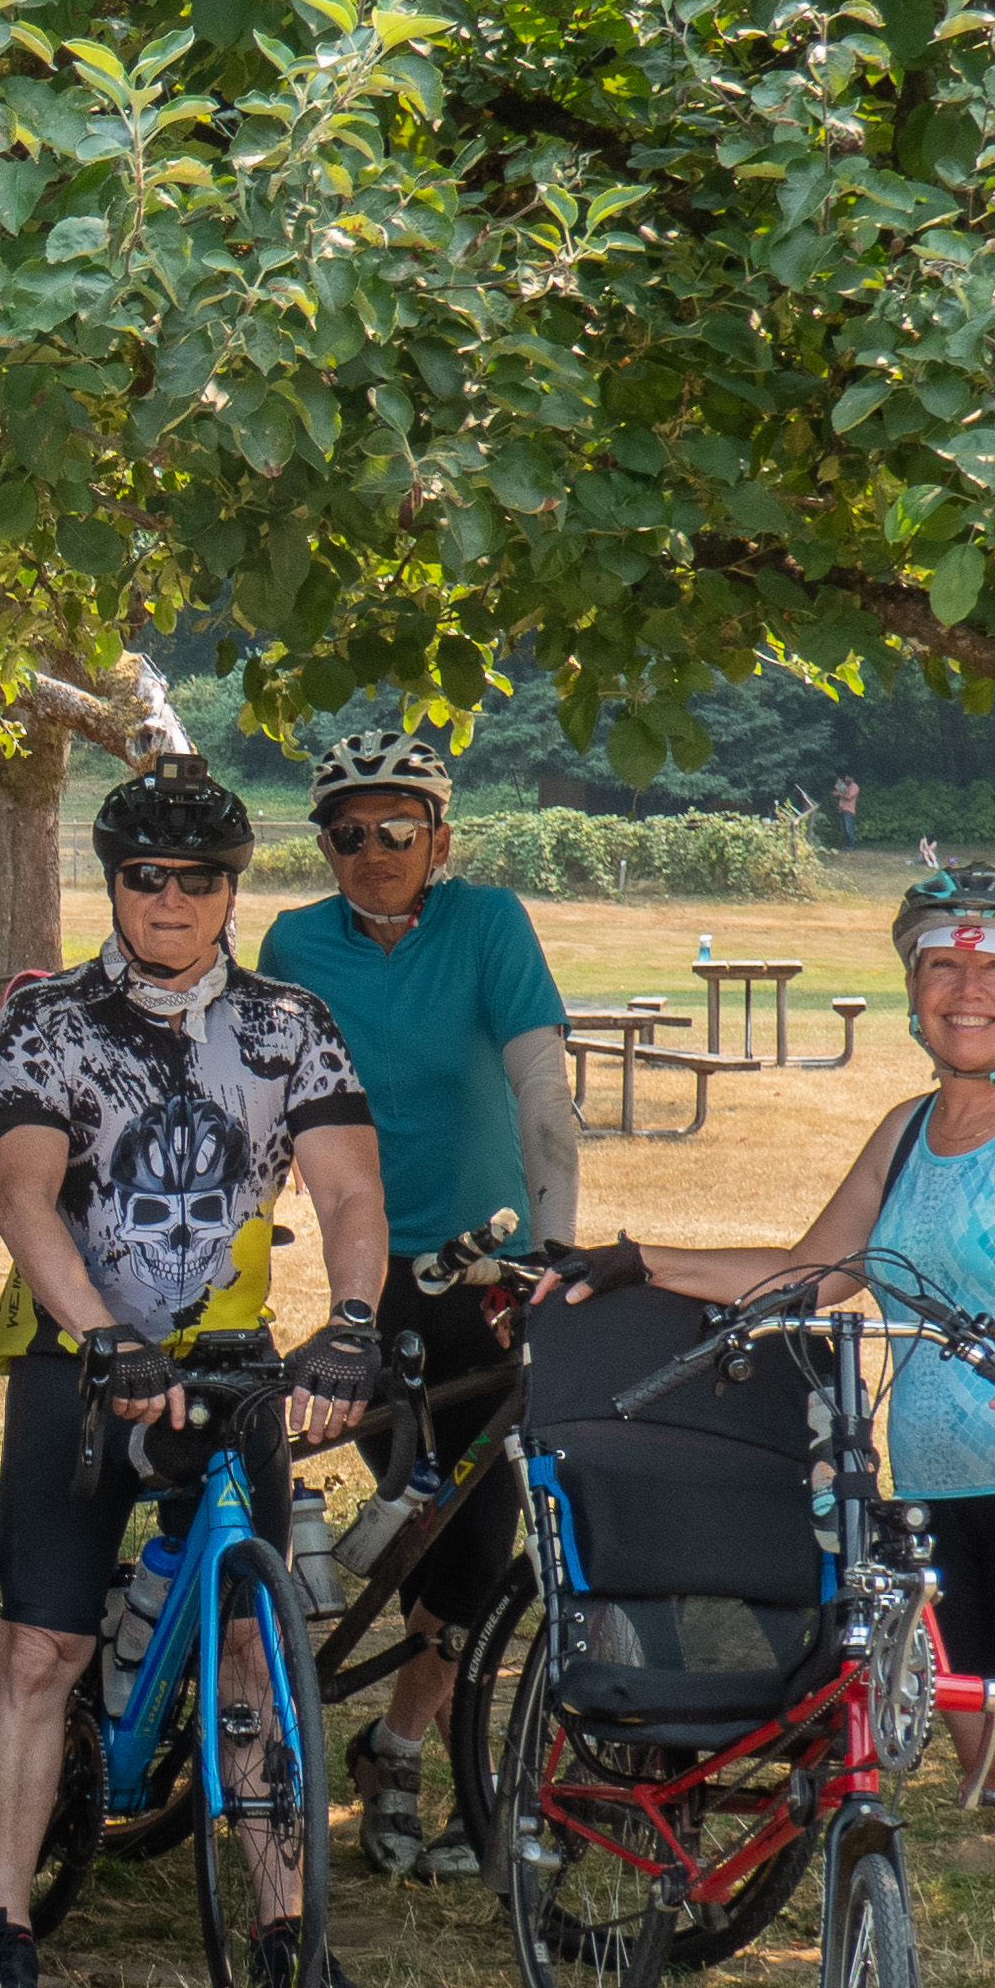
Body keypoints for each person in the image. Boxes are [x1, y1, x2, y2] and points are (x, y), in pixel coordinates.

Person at [546, 864, 995, 1988]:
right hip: (940, 1493)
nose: (966, 990)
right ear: (910, 987)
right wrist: (639, 1261)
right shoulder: (902, 1130)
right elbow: (811, 1275)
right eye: (942, 967)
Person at [0, 754, 388, 1988]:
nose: (169, 901)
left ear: (228, 891)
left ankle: (286, 1923)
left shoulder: (288, 1023)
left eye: (196, 880)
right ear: (113, 885)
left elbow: (353, 1191)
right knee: (42, 1647)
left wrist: (355, 1321)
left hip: (231, 1366)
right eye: (145, 878)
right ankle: (2, 1922)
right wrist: (100, 1336)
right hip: (82, 1367)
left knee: (260, 1646)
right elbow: (23, 1198)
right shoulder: (50, 1021)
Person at [255, 729, 579, 1882]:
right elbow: (260, 1090)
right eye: (348, 833)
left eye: (397, 829)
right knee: (412, 1508)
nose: (373, 851)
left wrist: (558, 1245)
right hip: (374, 1270)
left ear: (439, 837)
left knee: (479, 1543)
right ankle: (385, 1732)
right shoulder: (296, 941)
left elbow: (542, 1082)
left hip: (491, 1268)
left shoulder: (486, 922)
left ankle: (401, 1749)